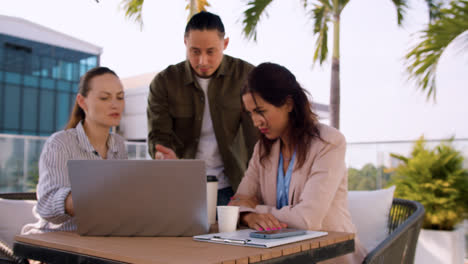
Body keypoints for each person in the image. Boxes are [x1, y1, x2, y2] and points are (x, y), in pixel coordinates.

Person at [229, 63, 367, 263]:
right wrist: (249, 217)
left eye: (261, 111)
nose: (256, 121)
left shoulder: (329, 143)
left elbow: (306, 220)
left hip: (330, 257)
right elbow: (237, 202)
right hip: (282, 256)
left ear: (288, 104)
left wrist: (258, 210)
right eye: (251, 113)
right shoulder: (263, 149)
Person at [147, 11, 258, 205]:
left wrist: (255, 191)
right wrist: (163, 155)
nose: (202, 61)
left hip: (234, 188)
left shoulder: (247, 76)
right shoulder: (165, 82)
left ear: (225, 44)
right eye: (195, 51)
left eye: (211, 51)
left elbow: (257, 140)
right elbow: (158, 136)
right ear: (185, 43)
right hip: (181, 186)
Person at [22, 67, 128, 234]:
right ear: (82, 102)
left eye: (120, 97)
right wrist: (84, 198)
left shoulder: (119, 146)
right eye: (104, 98)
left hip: (100, 237)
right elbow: (46, 206)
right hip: (58, 240)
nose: (115, 104)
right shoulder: (60, 143)